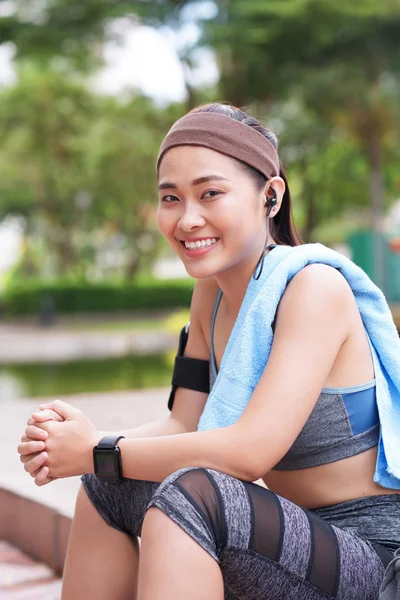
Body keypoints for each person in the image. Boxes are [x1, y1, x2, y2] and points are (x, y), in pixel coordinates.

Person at [17, 103, 400, 600]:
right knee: (108, 483)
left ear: (271, 196)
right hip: (287, 540)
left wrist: (97, 449)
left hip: (373, 559)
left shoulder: (314, 289)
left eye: (211, 193)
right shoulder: (212, 297)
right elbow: (184, 424)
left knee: (191, 493)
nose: (188, 218)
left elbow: (249, 451)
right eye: (171, 198)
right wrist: (76, 446)